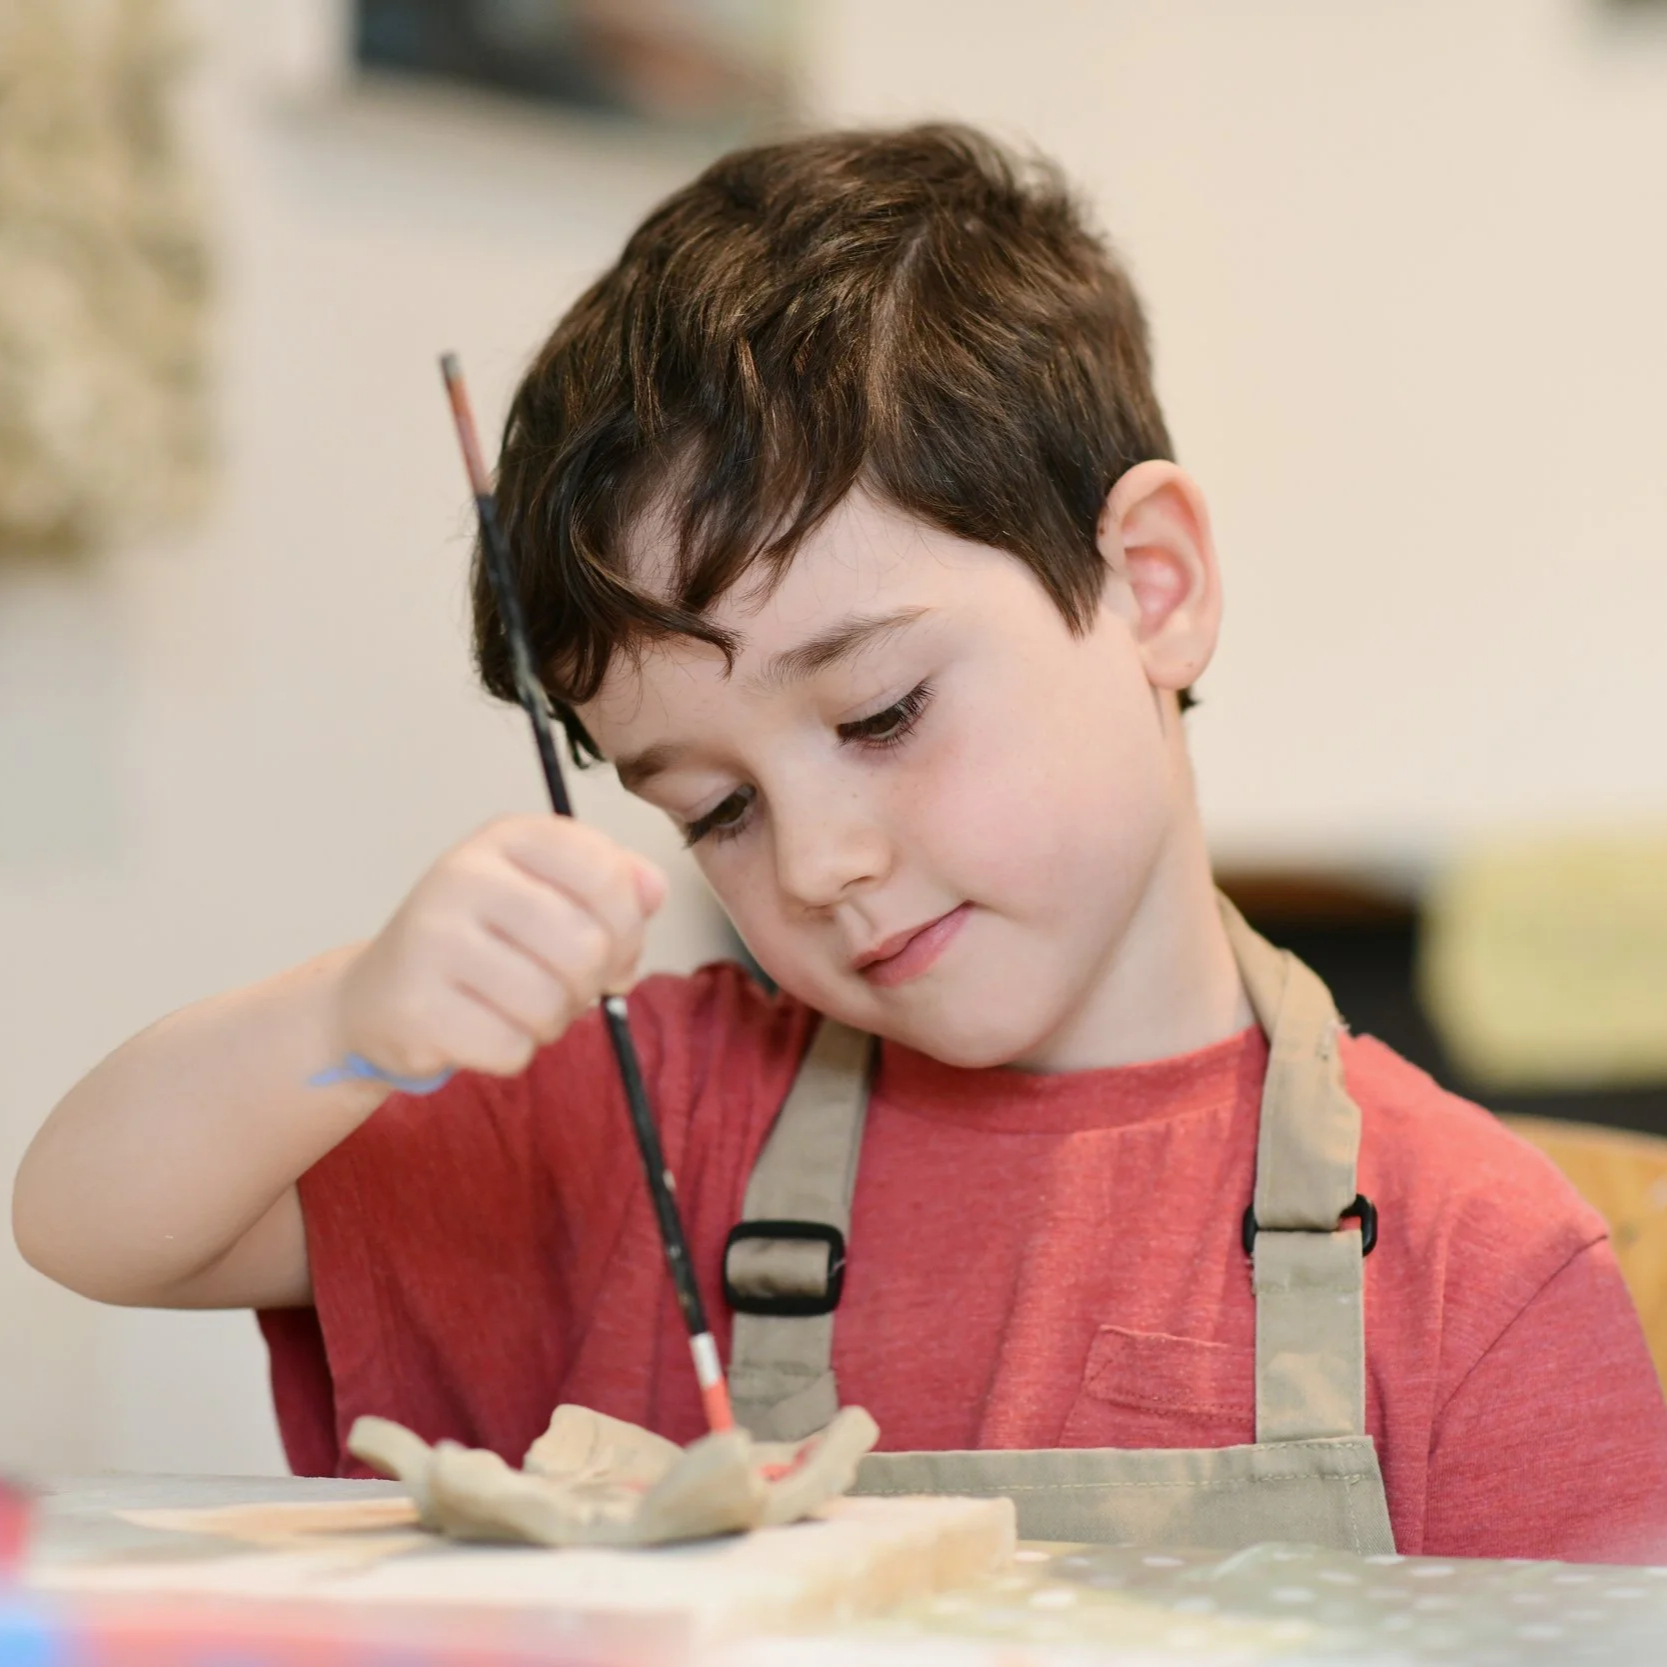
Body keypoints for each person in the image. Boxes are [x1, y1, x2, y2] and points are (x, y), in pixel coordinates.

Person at [15, 125, 1667, 1561]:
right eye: (710, 808)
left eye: (879, 713)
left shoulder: (1474, 1264)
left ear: (1148, 586)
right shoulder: (646, 1127)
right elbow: (92, 1217)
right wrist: (339, 1031)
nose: (811, 862)